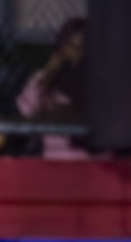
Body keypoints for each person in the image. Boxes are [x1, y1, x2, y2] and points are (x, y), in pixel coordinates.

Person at [15, 17, 89, 160]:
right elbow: (27, 112)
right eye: (69, 47)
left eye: (79, 49)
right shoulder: (45, 79)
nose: (72, 55)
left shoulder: (95, 82)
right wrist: (48, 75)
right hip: (54, 158)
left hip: (87, 160)